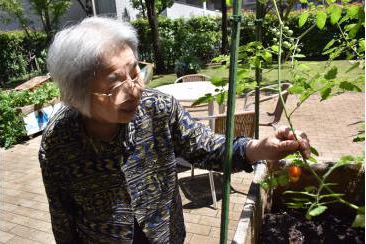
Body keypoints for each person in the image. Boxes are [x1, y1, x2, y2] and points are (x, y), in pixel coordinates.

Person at [39, 17, 311, 244]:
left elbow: (205, 146)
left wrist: (258, 148)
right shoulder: (57, 142)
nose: (135, 89)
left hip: (165, 235)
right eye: (115, 83)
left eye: (136, 72)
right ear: (77, 94)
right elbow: (62, 216)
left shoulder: (158, 108)